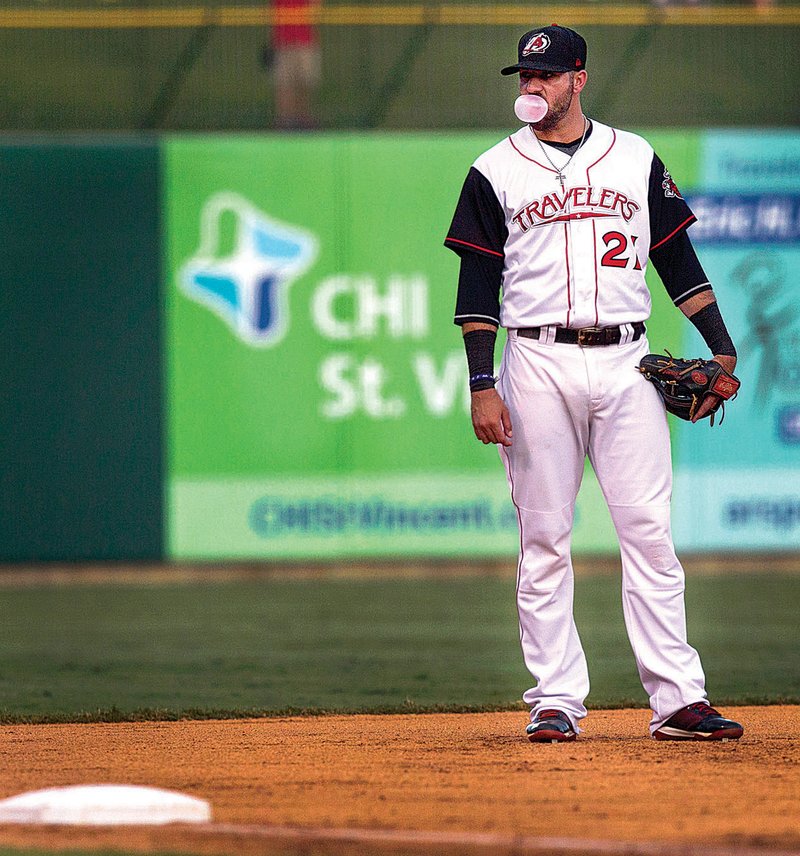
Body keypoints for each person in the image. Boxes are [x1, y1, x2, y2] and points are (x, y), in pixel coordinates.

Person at [444, 25, 744, 743]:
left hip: (627, 362)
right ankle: (554, 699)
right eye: (523, 77)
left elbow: (677, 260)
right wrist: (482, 383)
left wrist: (722, 351)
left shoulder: (634, 157)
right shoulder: (495, 169)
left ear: (578, 78)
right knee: (544, 535)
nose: (531, 88)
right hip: (537, 360)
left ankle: (678, 700)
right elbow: (478, 284)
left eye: (544, 76)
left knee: (648, 531)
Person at [263, 0, 321, 129]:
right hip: (282, 41)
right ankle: (285, 120)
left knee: (304, 82)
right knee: (284, 84)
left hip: (304, 39)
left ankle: (303, 119)